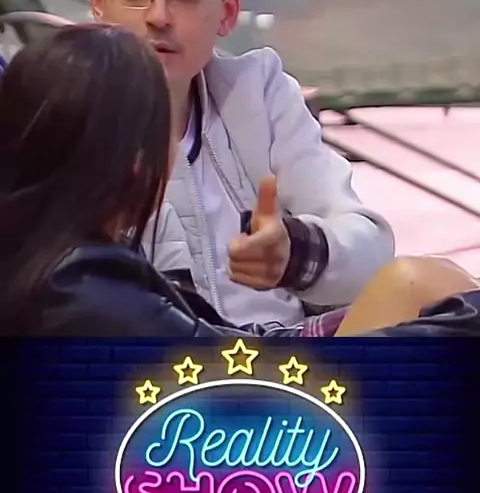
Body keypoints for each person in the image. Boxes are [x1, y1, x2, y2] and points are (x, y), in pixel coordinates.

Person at [0, 24, 478, 339]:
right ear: (136, 165)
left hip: (232, 385)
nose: (158, 17)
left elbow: (219, 344)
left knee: (418, 282)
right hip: (240, 441)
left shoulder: (53, 264)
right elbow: (233, 376)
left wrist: (295, 257)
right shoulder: (88, 292)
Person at [87, 0, 394, 331]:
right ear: (99, 0)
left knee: (427, 286)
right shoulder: (62, 112)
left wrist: (293, 254)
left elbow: (372, 253)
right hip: (160, 359)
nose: (158, 16)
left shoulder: (257, 93)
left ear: (228, 11)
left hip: (294, 349)